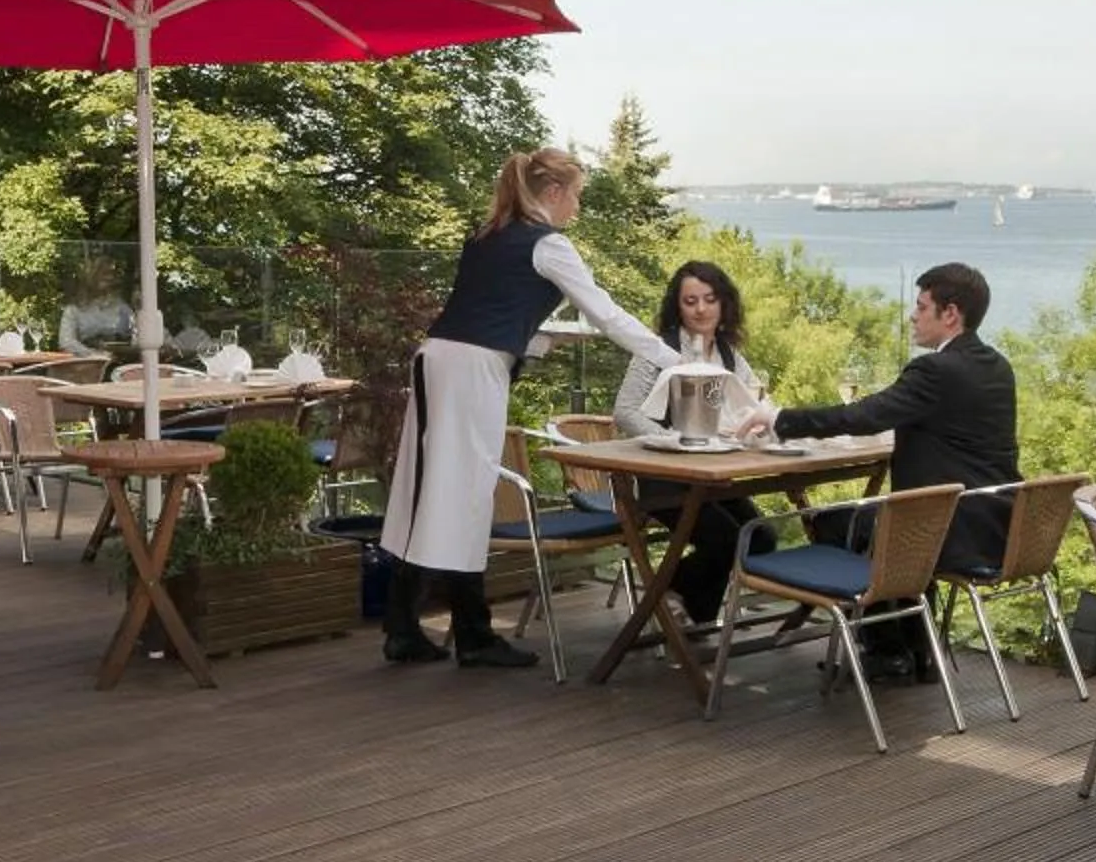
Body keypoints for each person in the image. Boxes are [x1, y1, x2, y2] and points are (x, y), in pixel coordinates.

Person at [381, 147, 681, 668]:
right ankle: (470, 634)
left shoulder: (487, 235)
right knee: (467, 492)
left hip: (437, 359)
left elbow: (490, 309)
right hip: (472, 371)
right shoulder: (550, 245)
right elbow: (607, 315)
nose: (578, 209)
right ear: (554, 193)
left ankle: (404, 625)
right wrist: (673, 360)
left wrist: (536, 344)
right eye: (577, 196)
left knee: (426, 487)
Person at [760, 261, 1019, 684]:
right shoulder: (997, 366)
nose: (912, 316)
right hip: (993, 521)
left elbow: (866, 415)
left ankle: (889, 653)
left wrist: (780, 419)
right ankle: (920, 652)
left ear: (949, 313)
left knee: (837, 523)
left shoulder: (936, 370)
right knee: (881, 522)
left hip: (947, 529)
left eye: (921, 307)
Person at [612, 262, 765, 626]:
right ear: (677, 307)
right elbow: (625, 411)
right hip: (660, 475)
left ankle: (671, 594)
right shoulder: (658, 349)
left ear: (723, 303)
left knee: (760, 538)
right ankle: (689, 614)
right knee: (725, 539)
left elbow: (753, 406)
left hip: (711, 474)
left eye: (709, 299)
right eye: (691, 301)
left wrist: (754, 429)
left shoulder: (729, 355)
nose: (701, 309)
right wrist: (673, 441)